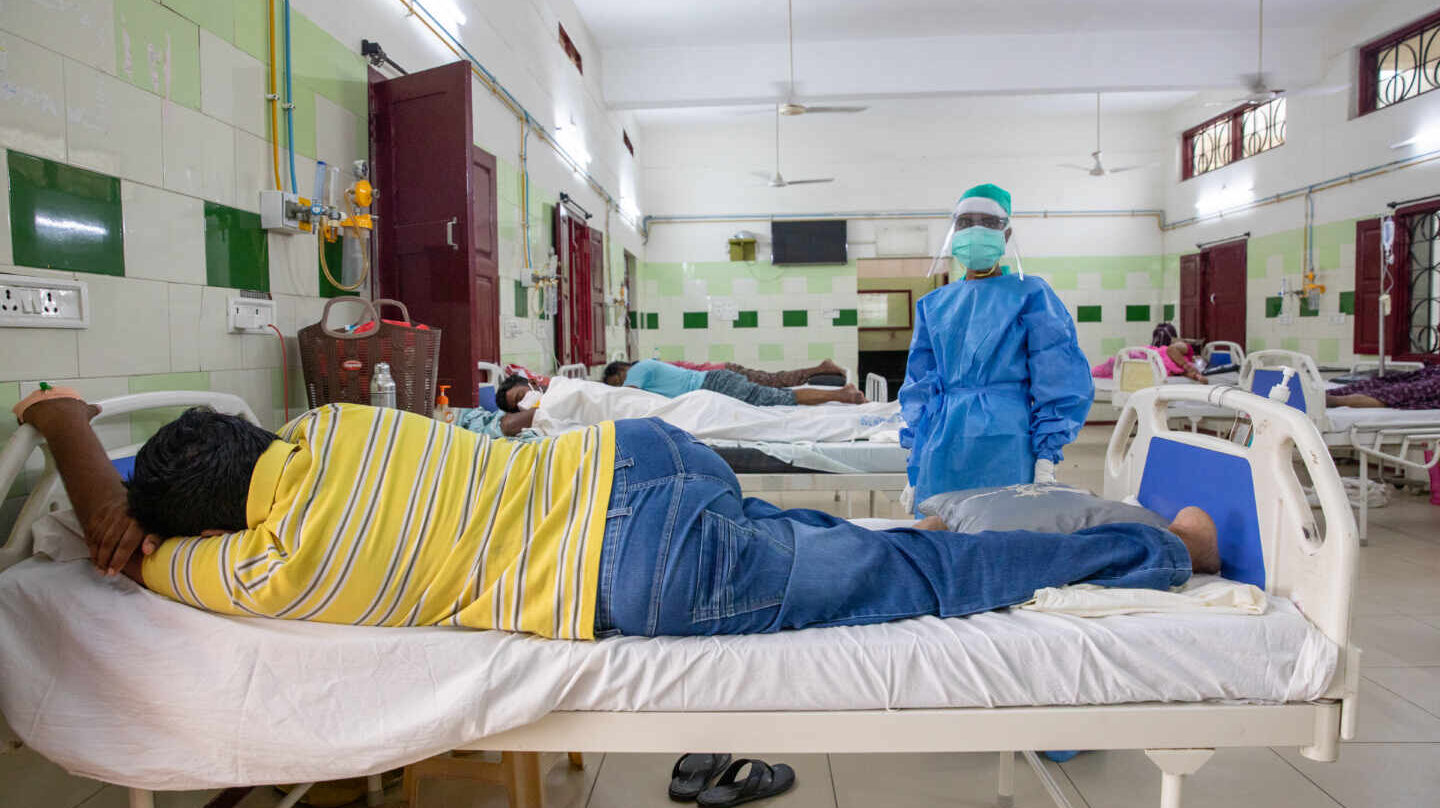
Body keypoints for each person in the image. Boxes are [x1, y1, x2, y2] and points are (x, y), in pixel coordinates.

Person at [13, 390, 1218, 640]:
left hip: (640, 567)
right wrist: (72, 415)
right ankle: (1130, 532)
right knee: (877, 547)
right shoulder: (334, 422)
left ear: (212, 525)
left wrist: (72, 434)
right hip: (639, 456)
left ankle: (1161, 547)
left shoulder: (270, 569)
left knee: (915, 576)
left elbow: (121, 543)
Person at [899, 183, 1093, 512]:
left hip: (1006, 438)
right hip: (942, 440)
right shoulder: (932, 305)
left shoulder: (1031, 295)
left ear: (1006, 235)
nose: (975, 230)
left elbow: (1058, 377)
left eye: (988, 223)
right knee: (939, 539)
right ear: (953, 232)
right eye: (965, 222)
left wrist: (1046, 455)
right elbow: (921, 387)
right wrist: (915, 461)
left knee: (1003, 537)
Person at [603, 360, 865, 407]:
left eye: (616, 381)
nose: (620, 385)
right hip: (716, 382)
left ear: (621, 370)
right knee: (779, 392)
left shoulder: (637, 370)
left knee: (782, 397)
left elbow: (626, 399)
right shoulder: (648, 367)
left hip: (715, 385)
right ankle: (842, 394)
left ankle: (844, 394)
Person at [1326, 363, 1440, 409]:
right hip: (1431, 372)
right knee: (1376, 383)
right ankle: (1321, 396)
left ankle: (1335, 401)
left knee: (1401, 391)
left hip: (1435, 384)